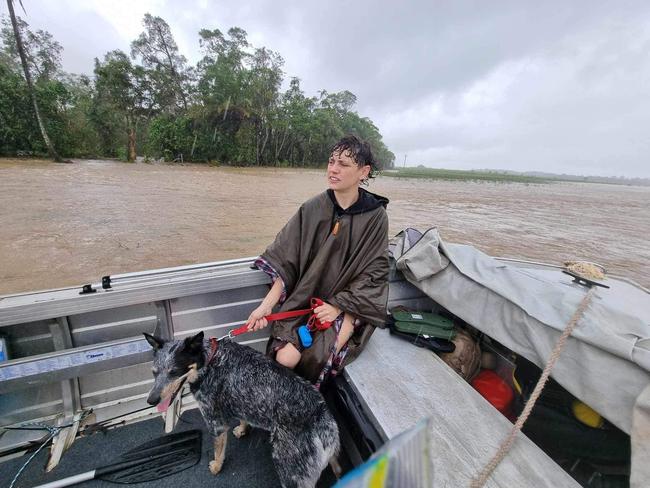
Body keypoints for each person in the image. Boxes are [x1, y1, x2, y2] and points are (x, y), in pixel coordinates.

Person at [245, 135, 390, 387]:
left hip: (350, 307)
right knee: (285, 357)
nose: (333, 169)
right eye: (331, 161)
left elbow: (373, 274)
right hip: (306, 299)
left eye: (343, 164)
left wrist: (337, 306)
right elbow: (287, 260)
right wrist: (266, 307)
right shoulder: (313, 208)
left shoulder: (376, 217)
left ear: (363, 172)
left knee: (318, 357)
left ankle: (306, 411)